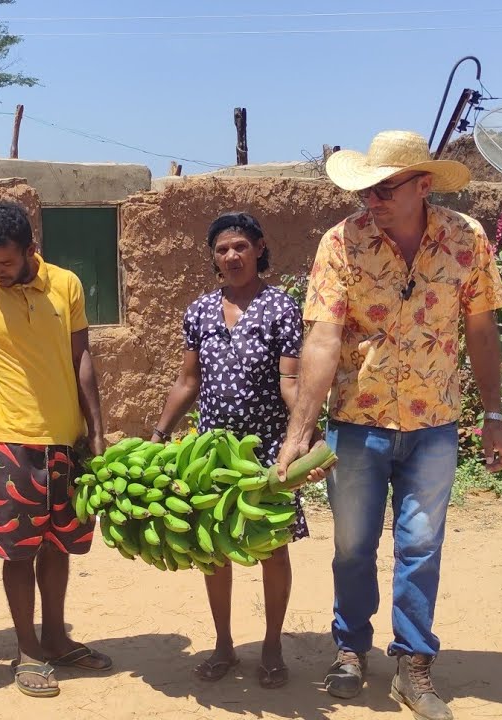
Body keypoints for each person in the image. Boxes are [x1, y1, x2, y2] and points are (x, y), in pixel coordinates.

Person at [277, 131, 502, 720]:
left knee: (420, 545)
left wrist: (494, 417)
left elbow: (483, 330)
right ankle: (350, 650)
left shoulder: (467, 240)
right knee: (352, 547)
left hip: (434, 421)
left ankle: (413, 665)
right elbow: (323, 338)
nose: (373, 200)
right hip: (357, 421)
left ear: (423, 186)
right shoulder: (341, 243)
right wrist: (298, 431)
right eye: (366, 189)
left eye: (385, 188)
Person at [0, 200, 111, 698]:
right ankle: (29, 649)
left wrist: (96, 430)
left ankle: (57, 638)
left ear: (30, 250)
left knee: (60, 546)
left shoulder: (67, 285)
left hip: (67, 440)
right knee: (18, 552)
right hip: (12, 443)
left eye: (7, 263)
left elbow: (82, 357)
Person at [150, 212, 317, 689]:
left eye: (240, 246)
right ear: (213, 257)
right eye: (222, 249)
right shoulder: (200, 310)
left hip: (267, 449)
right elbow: (188, 381)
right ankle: (223, 644)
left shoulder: (280, 307)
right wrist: (161, 432)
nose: (231, 256)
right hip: (212, 452)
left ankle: (271, 644)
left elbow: (290, 380)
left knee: (273, 548)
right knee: (214, 550)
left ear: (259, 248)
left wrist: (306, 433)